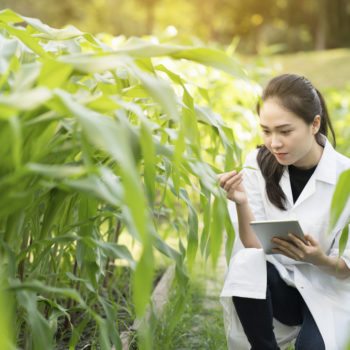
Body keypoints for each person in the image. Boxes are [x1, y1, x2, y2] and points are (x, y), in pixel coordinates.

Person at [219, 74, 350, 350]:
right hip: (280, 288)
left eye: (285, 131)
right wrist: (241, 201)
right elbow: (253, 245)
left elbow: (346, 269)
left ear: (314, 124)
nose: (274, 143)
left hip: (329, 289)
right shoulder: (257, 163)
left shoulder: (345, 177)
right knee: (245, 262)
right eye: (266, 131)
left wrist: (319, 259)